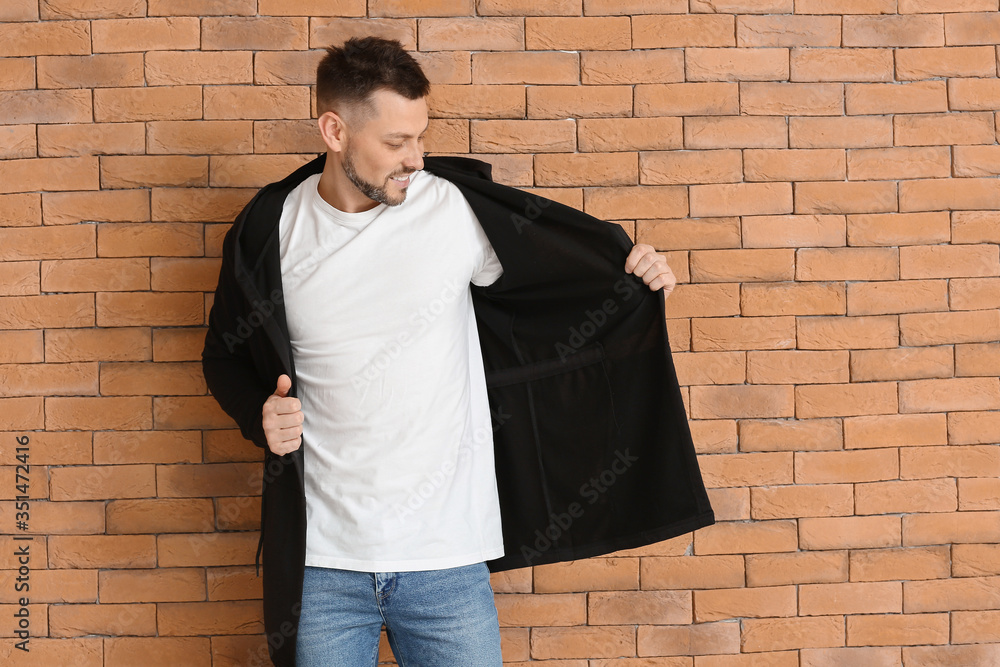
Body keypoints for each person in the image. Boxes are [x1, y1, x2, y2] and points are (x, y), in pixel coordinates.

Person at [202, 36, 713, 667]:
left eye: (421, 136)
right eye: (395, 143)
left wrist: (632, 270)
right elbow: (222, 358)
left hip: (445, 562)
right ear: (333, 130)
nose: (415, 158)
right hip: (322, 563)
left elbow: (570, 279)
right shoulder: (267, 231)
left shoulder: (453, 210)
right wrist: (260, 414)